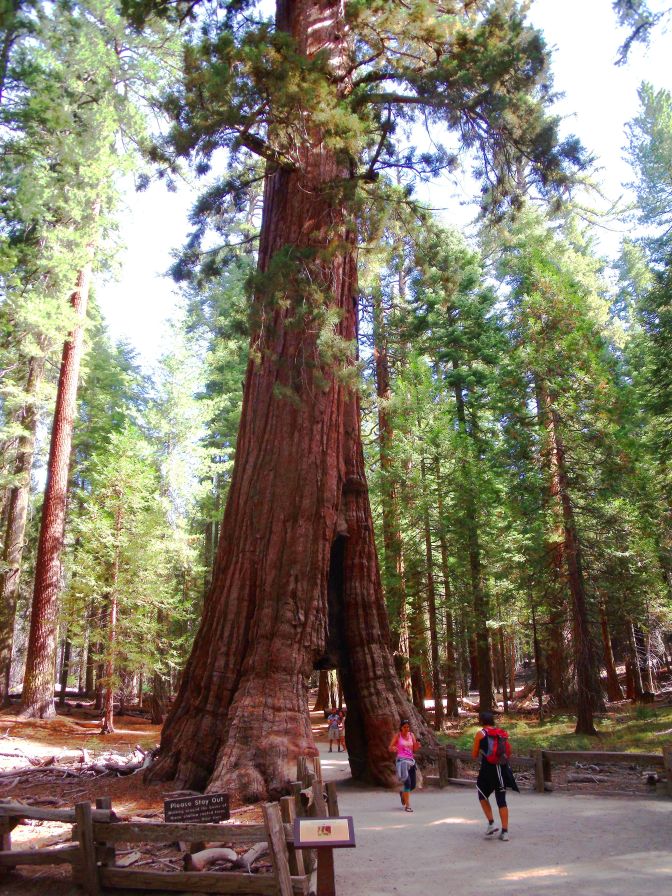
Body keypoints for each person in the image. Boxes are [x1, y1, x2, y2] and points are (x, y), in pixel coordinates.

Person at [471, 710, 518, 841]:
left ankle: (491, 823)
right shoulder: (501, 733)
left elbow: (474, 754)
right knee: (501, 800)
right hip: (502, 769)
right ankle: (505, 832)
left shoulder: (480, 734)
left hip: (487, 770)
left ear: (481, 721)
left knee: (482, 795)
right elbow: (508, 751)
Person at [389, 718, 420, 812]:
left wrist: (417, 745)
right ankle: (408, 806)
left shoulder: (411, 735)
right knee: (407, 783)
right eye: (405, 727)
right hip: (402, 761)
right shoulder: (398, 736)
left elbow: (414, 749)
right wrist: (393, 748)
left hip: (410, 761)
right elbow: (390, 747)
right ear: (401, 728)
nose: (407, 729)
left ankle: (403, 794)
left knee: (413, 785)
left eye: (408, 727)